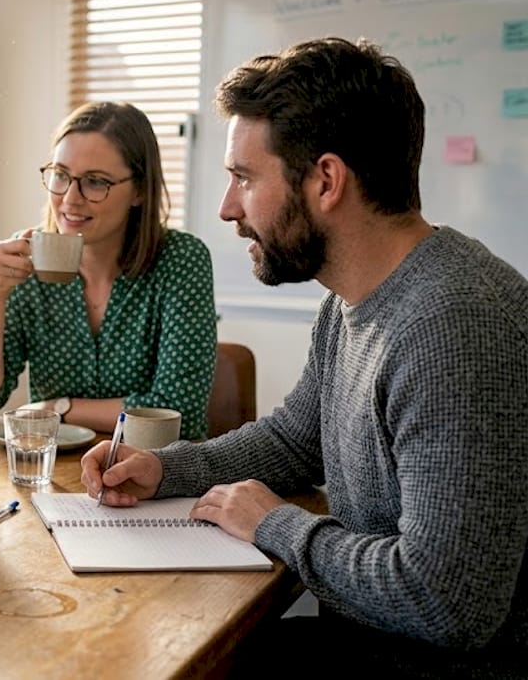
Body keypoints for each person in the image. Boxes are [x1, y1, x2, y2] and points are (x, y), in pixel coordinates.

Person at [82, 37, 528, 677]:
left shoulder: (454, 327)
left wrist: (278, 527)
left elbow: (446, 601)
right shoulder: (351, 298)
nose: (226, 208)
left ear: (325, 181)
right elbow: (295, 440)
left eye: (243, 177)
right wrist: (163, 468)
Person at [0, 101, 217, 438]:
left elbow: (175, 409)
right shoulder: (26, 259)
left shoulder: (182, 260)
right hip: (54, 477)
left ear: (139, 190)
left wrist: (58, 408)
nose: (70, 199)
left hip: (158, 474)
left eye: (95, 182)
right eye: (61, 175)